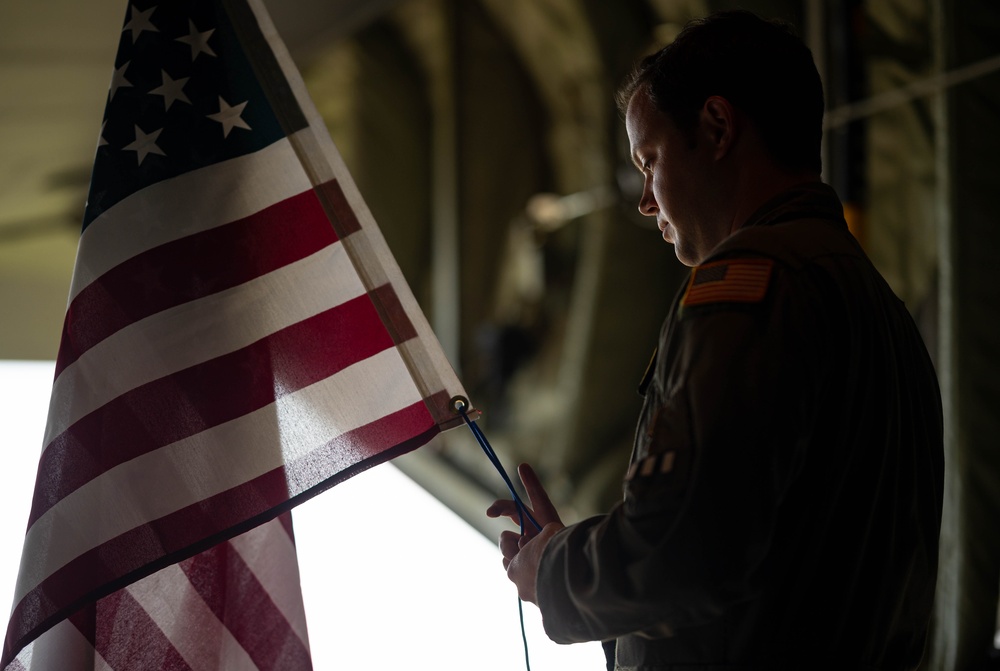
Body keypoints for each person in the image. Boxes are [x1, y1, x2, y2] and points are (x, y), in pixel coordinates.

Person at [486, 10, 944, 671]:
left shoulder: (749, 289)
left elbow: (688, 548)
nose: (646, 202)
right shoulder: (884, 317)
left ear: (718, 128)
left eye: (650, 160)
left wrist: (556, 570)